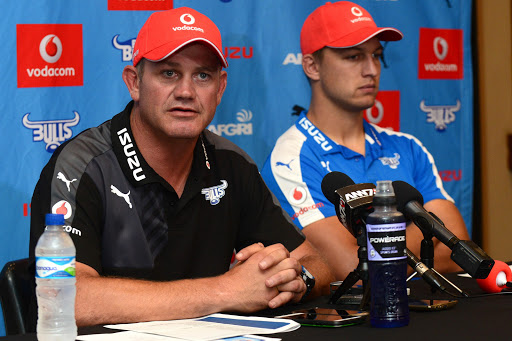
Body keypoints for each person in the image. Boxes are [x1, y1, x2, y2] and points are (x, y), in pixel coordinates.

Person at [29, 7, 333, 327]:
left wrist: (296, 281)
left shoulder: (232, 163)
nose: (186, 92)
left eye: (202, 75)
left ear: (220, 87)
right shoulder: (82, 165)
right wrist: (226, 291)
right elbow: (61, 297)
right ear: (134, 83)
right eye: (169, 73)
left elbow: (316, 263)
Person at [261, 1, 471, 281]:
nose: (372, 69)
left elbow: (457, 248)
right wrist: (425, 239)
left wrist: (372, 251)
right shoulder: (292, 157)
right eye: (354, 57)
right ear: (312, 66)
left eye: (376, 55)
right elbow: (351, 267)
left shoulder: (407, 146)